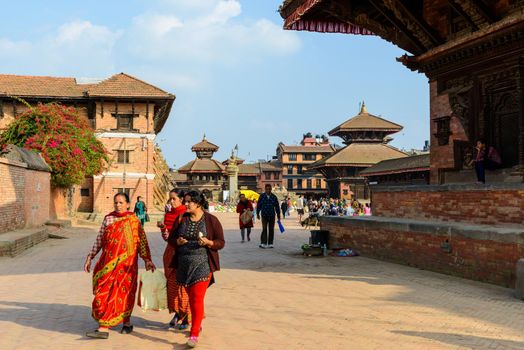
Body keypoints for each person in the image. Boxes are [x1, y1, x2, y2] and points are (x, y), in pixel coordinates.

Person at [84, 192, 155, 339]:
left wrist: (147, 259)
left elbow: (141, 241)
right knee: (103, 292)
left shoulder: (133, 220)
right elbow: (99, 239)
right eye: (116, 202)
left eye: (121, 202)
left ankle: (126, 323)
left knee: (124, 293)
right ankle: (103, 327)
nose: (118, 205)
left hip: (127, 266)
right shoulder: (108, 219)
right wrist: (90, 256)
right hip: (108, 265)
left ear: (128, 204)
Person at [167, 190, 225, 348]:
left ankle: (193, 334)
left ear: (198, 203)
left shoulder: (211, 220)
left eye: (188, 202)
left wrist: (209, 242)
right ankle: (197, 322)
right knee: (191, 297)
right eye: (184, 201)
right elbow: (171, 239)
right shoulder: (181, 219)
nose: (185, 204)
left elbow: (221, 241)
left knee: (197, 298)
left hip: (203, 264)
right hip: (183, 265)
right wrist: (177, 241)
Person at [157, 189, 190, 329]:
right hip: (171, 254)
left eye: (174, 199)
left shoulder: (188, 215)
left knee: (184, 288)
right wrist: (164, 228)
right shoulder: (169, 215)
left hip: (185, 254)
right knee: (172, 287)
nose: (171, 202)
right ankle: (177, 312)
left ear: (182, 199)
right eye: (170, 199)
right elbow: (167, 238)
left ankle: (187, 317)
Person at [256, 184, 281, 249]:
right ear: (265, 189)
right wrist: (257, 213)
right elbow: (258, 205)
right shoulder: (262, 196)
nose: (268, 190)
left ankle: (270, 243)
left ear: (271, 189)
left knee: (271, 229)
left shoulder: (274, 197)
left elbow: (277, 207)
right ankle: (263, 243)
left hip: (272, 215)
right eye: (267, 189)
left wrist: (278, 216)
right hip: (264, 215)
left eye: (269, 189)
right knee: (264, 229)